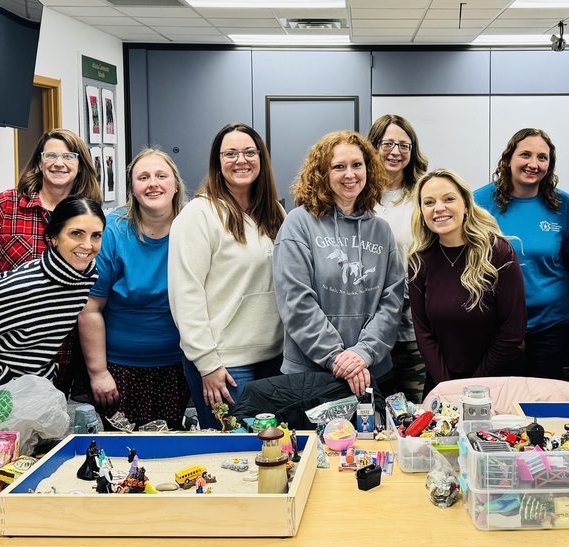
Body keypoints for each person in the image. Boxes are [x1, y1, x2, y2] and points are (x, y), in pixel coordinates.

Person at [0, 129, 102, 394]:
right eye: (51, 155)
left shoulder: (89, 217)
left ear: (80, 166)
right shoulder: (4, 206)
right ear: (39, 162)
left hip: (60, 361)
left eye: (68, 156)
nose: (59, 162)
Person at [168, 123, 286, 429]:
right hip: (226, 364)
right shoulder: (199, 215)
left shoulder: (274, 212)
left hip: (275, 357)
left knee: (274, 450)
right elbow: (186, 294)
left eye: (249, 152)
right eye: (230, 153)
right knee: (235, 455)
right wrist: (207, 363)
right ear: (217, 162)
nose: (241, 160)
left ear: (261, 157)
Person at [273, 130, 405, 397]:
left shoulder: (381, 229)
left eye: (357, 165)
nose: (350, 174)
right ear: (323, 173)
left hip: (373, 369)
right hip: (311, 375)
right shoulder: (298, 224)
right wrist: (338, 358)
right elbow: (296, 301)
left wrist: (362, 353)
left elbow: (392, 301)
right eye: (338, 167)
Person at [77, 148, 191, 430]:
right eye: (143, 177)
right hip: (119, 372)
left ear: (175, 184)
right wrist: (98, 372)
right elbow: (90, 308)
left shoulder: (194, 227)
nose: (153, 183)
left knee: (173, 458)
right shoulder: (113, 232)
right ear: (133, 188)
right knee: (121, 458)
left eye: (161, 176)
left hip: (180, 368)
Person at [0, 197, 105, 391]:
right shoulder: (25, 285)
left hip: (30, 393)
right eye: (76, 233)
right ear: (54, 236)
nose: (88, 245)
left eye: (96, 235)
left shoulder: (83, 279)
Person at [408, 169, 526, 393]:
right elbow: (424, 335)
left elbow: (512, 334)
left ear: (466, 205)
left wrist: (473, 388)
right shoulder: (419, 261)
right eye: (429, 202)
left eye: (449, 199)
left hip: (497, 382)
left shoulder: (499, 252)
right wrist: (449, 388)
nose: (439, 208)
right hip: (443, 383)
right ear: (422, 211)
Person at [473, 128, 569, 381]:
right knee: (502, 401)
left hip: (552, 324)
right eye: (525, 155)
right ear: (508, 159)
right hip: (498, 325)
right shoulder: (479, 202)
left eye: (542, 157)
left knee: (543, 398)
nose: (533, 164)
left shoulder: (562, 204)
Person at [367, 114, 430, 403]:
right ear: (373, 146)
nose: (396, 152)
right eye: (388, 143)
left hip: (411, 328)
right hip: (364, 328)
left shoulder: (422, 196)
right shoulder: (356, 195)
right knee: (368, 412)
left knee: (410, 412)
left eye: (404, 145)